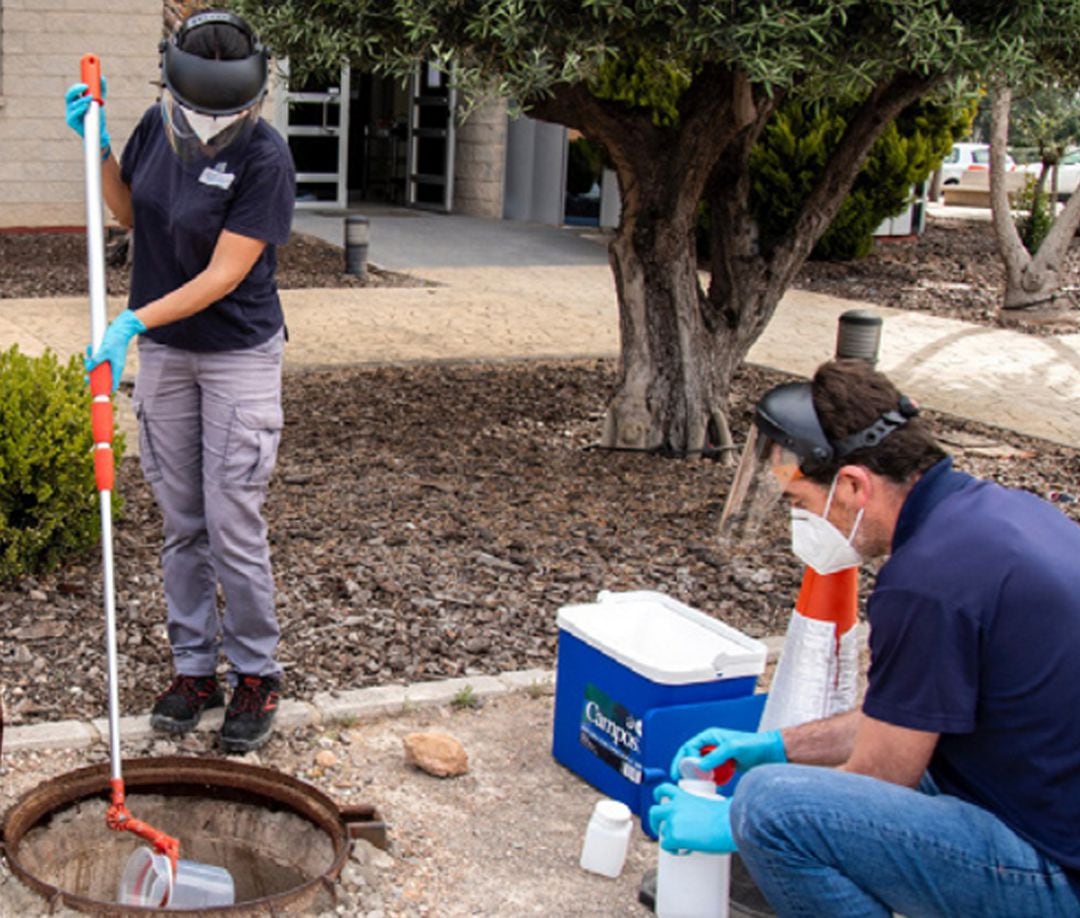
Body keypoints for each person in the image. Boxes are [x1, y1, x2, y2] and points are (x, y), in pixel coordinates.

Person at [648, 359, 1080, 916]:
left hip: (1054, 875)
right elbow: (908, 719)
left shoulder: (926, 583)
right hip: (1046, 812)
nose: (806, 524)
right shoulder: (995, 516)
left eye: (803, 504)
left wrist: (734, 822)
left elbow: (885, 775)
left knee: (769, 808)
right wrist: (777, 746)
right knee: (783, 784)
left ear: (852, 484)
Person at [64, 9, 295, 753]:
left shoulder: (265, 157)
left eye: (229, 112)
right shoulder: (154, 129)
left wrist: (133, 322)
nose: (210, 123)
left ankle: (256, 672)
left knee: (233, 520)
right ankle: (195, 671)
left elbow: (227, 274)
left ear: (252, 100)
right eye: (199, 108)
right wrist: (99, 152)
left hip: (235, 353)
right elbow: (132, 211)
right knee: (182, 522)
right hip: (167, 354)